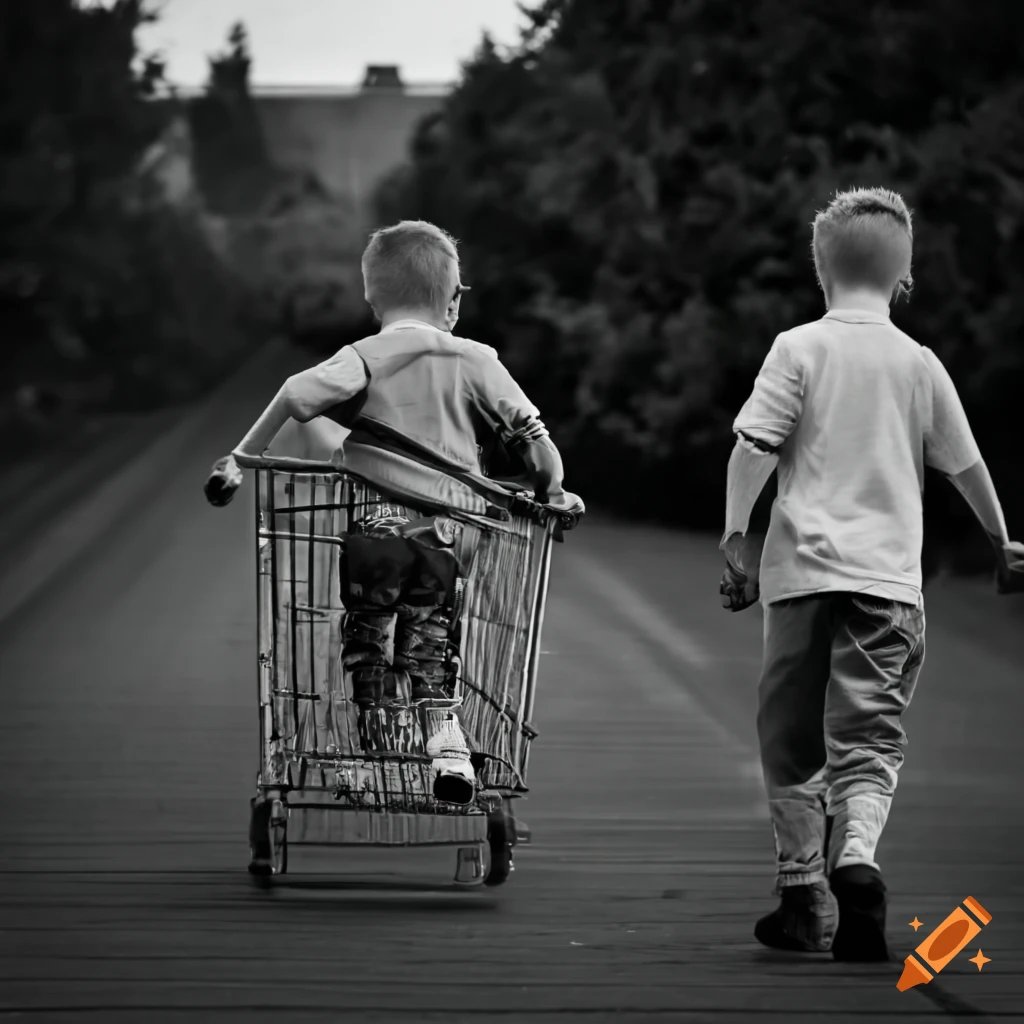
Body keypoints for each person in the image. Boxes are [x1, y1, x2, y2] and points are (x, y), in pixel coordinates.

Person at [718, 187, 1024, 962]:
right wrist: (1002, 542)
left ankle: (801, 895)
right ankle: (856, 855)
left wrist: (736, 536)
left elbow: (754, 446)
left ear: (820, 270)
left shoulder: (798, 348)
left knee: (790, 736)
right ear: (905, 277)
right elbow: (965, 463)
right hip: (887, 587)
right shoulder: (918, 363)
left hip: (800, 581)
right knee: (867, 737)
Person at [204, 219, 583, 805]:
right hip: (445, 539)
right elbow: (533, 441)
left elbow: (296, 393)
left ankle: (381, 751)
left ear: (371, 296)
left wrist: (240, 458)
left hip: (375, 535)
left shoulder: (363, 356)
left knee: (369, 639)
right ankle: (448, 749)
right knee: (431, 642)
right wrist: (554, 494)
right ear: (453, 301)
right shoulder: (476, 360)